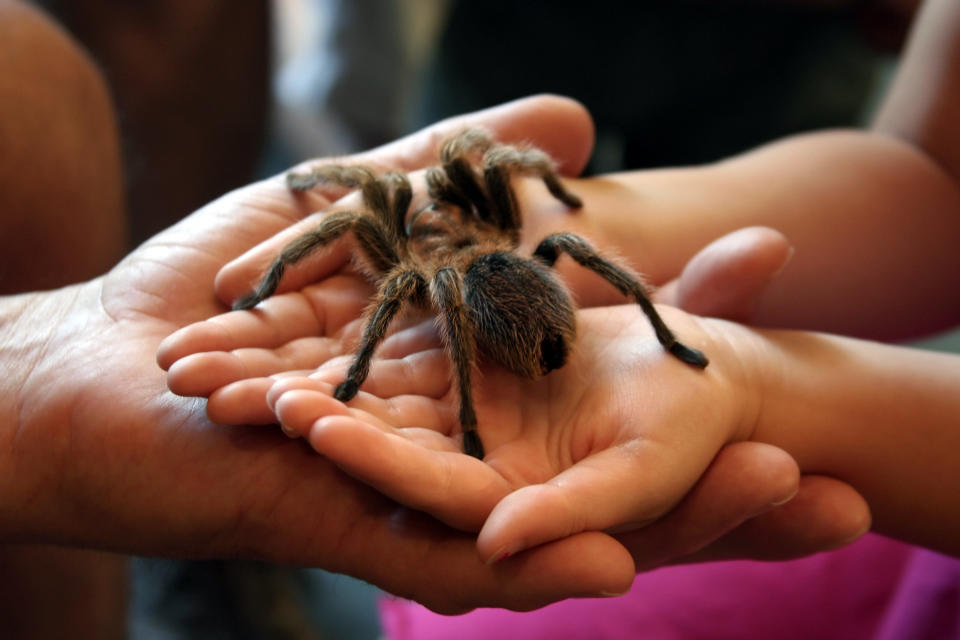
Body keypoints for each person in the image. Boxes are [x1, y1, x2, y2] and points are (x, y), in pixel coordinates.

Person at [158, 0, 960, 635]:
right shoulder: (516, 227)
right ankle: (654, 330)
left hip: (475, 287)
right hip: (510, 272)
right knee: (550, 227)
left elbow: (456, 168)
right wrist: (588, 207)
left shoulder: (406, 251)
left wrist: (311, 269)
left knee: (434, 230)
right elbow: (499, 160)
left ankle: (483, 405)